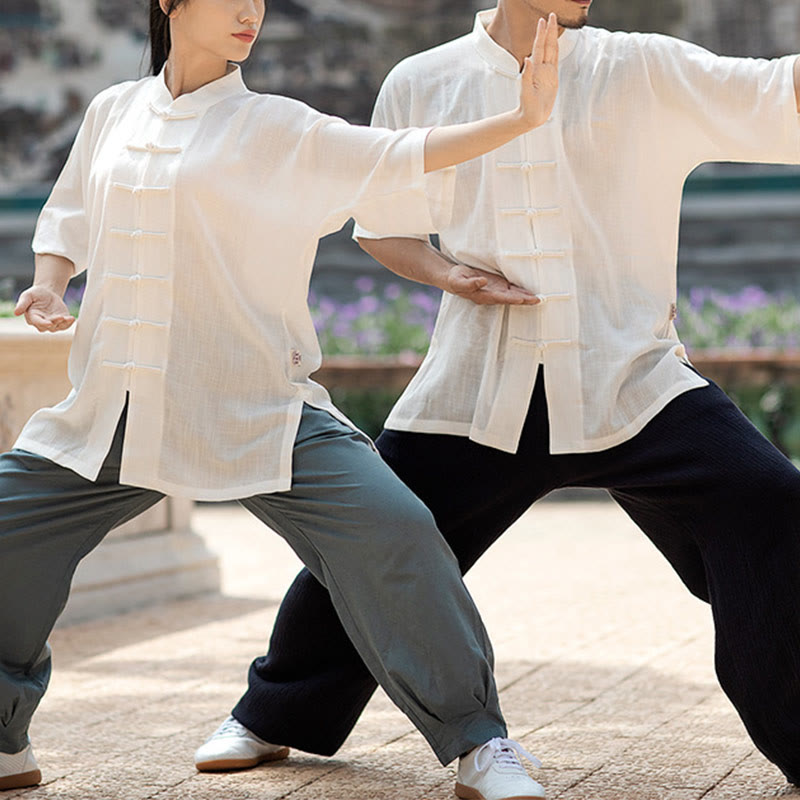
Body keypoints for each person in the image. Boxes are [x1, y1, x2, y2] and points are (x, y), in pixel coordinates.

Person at [195, 0, 800, 793]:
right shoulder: (424, 81)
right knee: (383, 537)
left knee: (769, 504)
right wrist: (450, 273)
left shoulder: (646, 67)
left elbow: (775, 93)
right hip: (478, 388)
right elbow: (383, 224)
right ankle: (274, 713)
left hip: (632, 379)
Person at [0, 1, 565, 798]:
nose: (250, 12)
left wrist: (519, 119)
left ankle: (480, 743)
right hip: (114, 410)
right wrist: (50, 283)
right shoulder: (112, 111)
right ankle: (4, 742)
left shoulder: (278, 128)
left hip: (259, 404)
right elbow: (72, 214)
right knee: (8, 533)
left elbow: (398, 152)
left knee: (395, 530)